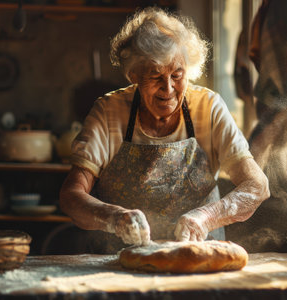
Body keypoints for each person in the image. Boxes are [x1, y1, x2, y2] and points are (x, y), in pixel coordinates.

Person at [59, 7, 270, 253]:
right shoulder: (109, 112)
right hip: (119, 261)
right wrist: (115, 217)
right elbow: (71, 195)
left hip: (197, 256)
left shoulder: (209, 108)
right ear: (134, 74)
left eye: (177, 75)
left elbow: (257, 186)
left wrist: (205, 218)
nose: (168, 88)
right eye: (155, 76)